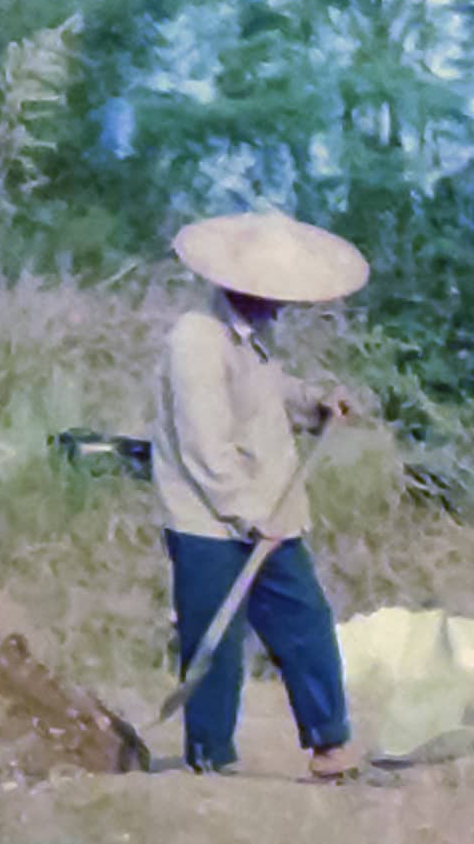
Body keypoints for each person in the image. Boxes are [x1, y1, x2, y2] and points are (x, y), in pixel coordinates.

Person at [153, 211, 369, 783]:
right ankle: (210, 762)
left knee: (306, 624)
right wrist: (250, 516)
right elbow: (207, 445)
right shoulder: (196, 341)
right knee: (215, 643)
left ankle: (331, 748)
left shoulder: (253, 338)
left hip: (273, 514)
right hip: (209, 519)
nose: (280, 304)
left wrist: (317, 403)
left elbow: (270, 396)